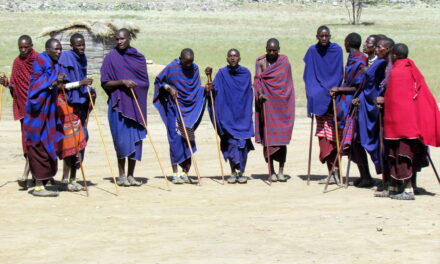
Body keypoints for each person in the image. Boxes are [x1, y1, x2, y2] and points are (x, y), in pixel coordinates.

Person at [376, 43, 440, 200]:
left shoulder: (397, 72)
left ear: (394, 55)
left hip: (400, 125)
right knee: (398, 156)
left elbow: (394, 99)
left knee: (402, 156)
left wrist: (382, 101)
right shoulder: (412, 69)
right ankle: (393, 187)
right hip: (412, 123)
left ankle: (408, 190)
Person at [101, 28, 149, 187]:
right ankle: (121, 174)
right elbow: (105, 82)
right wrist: (122, 82)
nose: (119, 42)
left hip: (135, 105)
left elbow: (144, 83)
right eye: (117, 39)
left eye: (122, 39)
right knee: (121, 141)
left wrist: (133, 84)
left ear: (129, 38)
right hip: (118, 105)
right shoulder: (110, 58)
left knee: (135, 140)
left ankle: (131, 175)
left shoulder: (138, 58)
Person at [154, 48, 206, 184]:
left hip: (189, 111)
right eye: (186, 62)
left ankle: (185, 172)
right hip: (174, 108)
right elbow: (159, 81)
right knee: (174, 140)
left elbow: (196, 88)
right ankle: (175, 173)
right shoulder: (172, 68)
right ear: (180, 58)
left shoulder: (195, 69)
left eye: (191, 62)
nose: (189, 65)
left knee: (187, 138)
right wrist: (169, 88)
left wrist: (205, 90)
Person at [205, 49, 254, 184]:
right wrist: (209, 88)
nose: (232, 58)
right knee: (231, 144)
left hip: (242, 116)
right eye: (230, 56)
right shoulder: (221, 74)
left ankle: (242, 172)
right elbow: (214, 89)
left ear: (239, 58)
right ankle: (233, 172)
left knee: (242, 145)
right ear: (227, 59)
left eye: (235, 56)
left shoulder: (245, 73)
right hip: (227, 117)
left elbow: (247, 94)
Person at [330, 32, 371, 187]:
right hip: (345, 104)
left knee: (355, 140)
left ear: (347, 43)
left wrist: (339, 89)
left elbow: (357, 86)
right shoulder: (353, 58)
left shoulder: (360, 60)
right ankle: (363, 175)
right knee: (352, 142)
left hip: (353, 104)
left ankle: (366, 175)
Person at [23, 38, 64, 197]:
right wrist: (54, 82)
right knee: (38, 145)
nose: (59, 52)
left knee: (49, 143)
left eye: (60, 49)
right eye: (56, 49)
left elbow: (54, 84)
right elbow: (35, 86)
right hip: (37, 113)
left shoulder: (55, 63)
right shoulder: (40, 61)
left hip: (50, 113)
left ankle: (45, 182)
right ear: (47, 49)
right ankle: (39, 186)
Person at [303, 25, 344, 181]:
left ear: (330, 36)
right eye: (322, 36)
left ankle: (337, 172)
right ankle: (331, 172)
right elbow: (309, 76)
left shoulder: (337, 50)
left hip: (333, 99)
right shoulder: (312, 51)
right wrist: (314, 94)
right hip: (320, 101)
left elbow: (338, 74)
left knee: (335, 137)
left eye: (327, 35)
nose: (324, 38)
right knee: (324, 138)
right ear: (317, 36)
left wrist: (330, 90)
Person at [254, 38, 295, 182]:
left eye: (274, 50)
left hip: (281, 105)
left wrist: (285, 99)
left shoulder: (284, 62)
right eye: (269, 50)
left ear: (279, 49)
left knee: (281, 139)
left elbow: (288, 82)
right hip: (267, 104)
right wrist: (259, 93)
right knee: (269, 140)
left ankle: (281, 170)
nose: (272, 53)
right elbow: (258, 80)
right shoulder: (260, 62)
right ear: (266, 49)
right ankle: (270, 171)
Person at [0, 35, 38, 189]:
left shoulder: (38, 60)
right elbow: (15, 87)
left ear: (31, 45)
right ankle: (36, 177)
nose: (23, 50)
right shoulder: (17, 62)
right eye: (20, 48)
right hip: (24, 108)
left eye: (26, 47)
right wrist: (7, 84)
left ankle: (27, 174)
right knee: (26, 141)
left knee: (35, 141)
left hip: (38, 108)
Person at [57, 33, 94, 191]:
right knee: (69, 143)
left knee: (81, 140)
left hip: (79, 103)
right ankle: (65, 179)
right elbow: (62, 87)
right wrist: (80, 83)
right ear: (72, 45)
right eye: (78, 45)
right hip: (65, 105)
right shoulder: (65, 59)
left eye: (83, 44)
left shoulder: (82, 58)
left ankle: (73, 177)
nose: (81, 47)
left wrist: (89, 90)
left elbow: (82, 80)